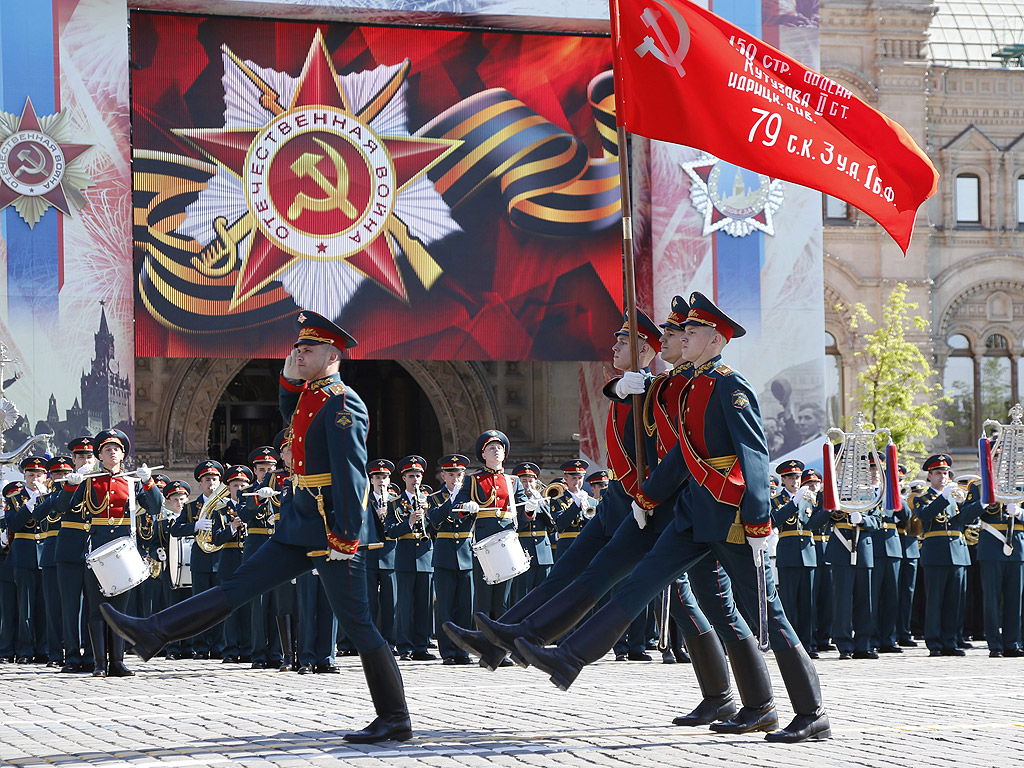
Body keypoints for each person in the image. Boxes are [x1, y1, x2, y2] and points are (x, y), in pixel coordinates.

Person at [510, 292, 829, 743]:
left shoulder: (731, 387)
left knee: (768, 615)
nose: (681, 336)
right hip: (691, 515)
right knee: (641, 583)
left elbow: (754, 457)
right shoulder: (694, 386)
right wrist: (647, 498)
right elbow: (682, 454)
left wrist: (760, 523)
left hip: (732, 518)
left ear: (715, 340)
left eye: (692, 331)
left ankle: (812, 712)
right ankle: (570, 656)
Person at [99, 310, 411, 743]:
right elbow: (293, 419)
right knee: (239, 585)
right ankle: (154, 631)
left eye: (308, 349)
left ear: (332, 354)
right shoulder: (313, 395)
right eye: (297, 347)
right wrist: (287, 380)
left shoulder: (344, 403)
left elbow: (351, 474)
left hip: (329, 528)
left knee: (357, 623)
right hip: (300, 522)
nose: (298, 353)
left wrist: (345, 536)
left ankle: (395, 716)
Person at [55, 429, 161, 677]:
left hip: (123, 548)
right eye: (106, 449)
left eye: (116, 449)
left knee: (120, 610)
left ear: (123, 454)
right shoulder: (91, 480)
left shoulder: (131, 481)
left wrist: (148, 482)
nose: (112, 452)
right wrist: (70, 487)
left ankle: (118, 662)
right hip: (97, 548)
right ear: (99, 455)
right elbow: (62, 508)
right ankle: (100, 663)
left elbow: (155, 506)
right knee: (98, 608)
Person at [452, 431, 532, 620]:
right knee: (484, 595)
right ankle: (483, 639)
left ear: (504, 455)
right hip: (484, 539)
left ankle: (500, 638)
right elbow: (457, 508)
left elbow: (524, 515)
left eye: (499, 448)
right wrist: (466, 506)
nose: (496, 451)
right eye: (491, 448)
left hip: (507, 538)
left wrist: (530, 508)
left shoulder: (513, 481)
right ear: (484, 455)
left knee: (503, 597)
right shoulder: (473, 480)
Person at [911, 453, 971, 657]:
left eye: (945, 473)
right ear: (930, 476)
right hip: (936, 553)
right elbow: (925, 516)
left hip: (958, 553)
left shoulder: (956, 497)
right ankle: (934, 642)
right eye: (938, 473)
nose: (943, 477)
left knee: (956, 601)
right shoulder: (922, 499)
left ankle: (951, 641)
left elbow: (964, 520)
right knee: (935, 600)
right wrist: (944, 497)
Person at [169, 460, 225, 659]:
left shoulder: (225, 505)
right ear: (199, 484)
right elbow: (175, 530)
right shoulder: (192, 507)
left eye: (215, 479)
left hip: (221, 560)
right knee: (200, 605)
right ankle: (201, 647)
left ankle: (218, 646)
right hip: (200, 562)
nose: (211, 483)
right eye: (207, 479)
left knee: (220, 605)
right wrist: (195, 526)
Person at [384, 455, 435, 661]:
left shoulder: (428, 501)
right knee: (404, 604)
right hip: (405, 556)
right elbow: (389, 531)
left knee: (424, 605)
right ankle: (404, 646)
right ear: (404, 478)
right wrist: (409, 522)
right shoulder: (395, 503)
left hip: (425, 556)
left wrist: (428, 515)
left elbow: (438, 527)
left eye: (418, 476)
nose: (415, 480)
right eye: (411, 476)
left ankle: (421, 647)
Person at [427, 454, 475, 665]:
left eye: (459, 474)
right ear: (443, 476)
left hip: (465, 553)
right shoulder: (434, 498)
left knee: (465, 606)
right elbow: (435, 521)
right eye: (451, 474)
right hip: (445, 553)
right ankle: (447, 651)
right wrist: (452, 500)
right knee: (446, 606)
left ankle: (463, 651)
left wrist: (473, 509)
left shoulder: (470, 497)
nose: (455, 478)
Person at [365, 459, 397, 653]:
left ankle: (390, 642)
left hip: (390, 554)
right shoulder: (364, 499)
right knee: (369, 602)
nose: (381, 481)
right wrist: (375, 515)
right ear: (371, 479)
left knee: (390, 603)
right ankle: (370, 642)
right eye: (377, 477)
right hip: (369, 553)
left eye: (384, 477)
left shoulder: (396, 499)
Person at [511, 462, 555, 602]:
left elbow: (553, 525)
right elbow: (517, 526)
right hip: (523, 551)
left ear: (536, 483)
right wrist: (529, 508)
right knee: (523, 595)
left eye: (531, 481)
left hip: (544, 554)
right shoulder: (513, 502)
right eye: (524, 481)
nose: (528, 485)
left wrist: (542, 505)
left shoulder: (542, 500)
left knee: (544, 595)